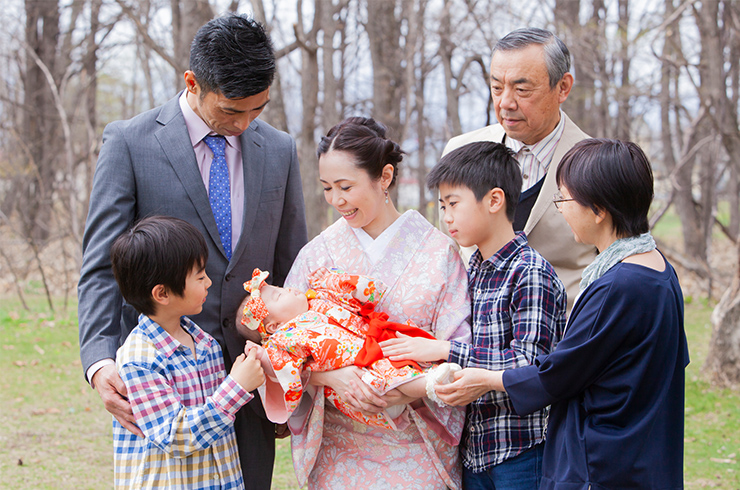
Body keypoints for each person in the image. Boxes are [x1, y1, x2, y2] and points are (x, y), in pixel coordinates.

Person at [77, 14, 307, 489]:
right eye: (231, 111)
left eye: (257, 111)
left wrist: (292, 372)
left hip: (253, 375)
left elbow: (291, 266)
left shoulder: (280, 150)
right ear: (192, 83)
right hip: (163, 384)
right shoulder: (130, 142)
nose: (243, 125)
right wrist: (100, 363)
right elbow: (102, 265)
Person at [434, 139, 689, 489]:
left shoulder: (620, 285)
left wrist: (485, 379)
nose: (561, 209)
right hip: (644, 452)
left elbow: (558, 374)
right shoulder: (657, 269)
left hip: (608, 462)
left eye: (565, 199)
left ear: (598, 209)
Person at [283, 116, 472, 489]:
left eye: (346, 187)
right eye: (326, 188)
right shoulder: (316, 254)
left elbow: (458, 350)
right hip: (338, 447)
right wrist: (330, 376)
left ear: (384, 177)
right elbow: (281, 349)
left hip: (415, 443)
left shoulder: (439, 252)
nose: (336, 200)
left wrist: (397, 390)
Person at [382, 141, 567, 489]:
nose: (446, 217)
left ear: (494, 200)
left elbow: (532, 367)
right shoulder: (473, 268)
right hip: (475, 451)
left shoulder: (529, 272)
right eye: (442, 206)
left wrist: (445, 350)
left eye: (453, 204)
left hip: (522, 450)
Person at [443, 27, 596, 311]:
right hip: (471, 339)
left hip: (563, 339)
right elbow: (447, 252)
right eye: (497, 88)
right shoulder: (458, 151)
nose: (505, 103)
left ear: (562, 87)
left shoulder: (594, 163)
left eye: (522, 90)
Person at [109, 216, 266, 490]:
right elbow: (174, 436)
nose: (208, 282)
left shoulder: (205, 344)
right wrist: (237, 386)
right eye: (199, 276)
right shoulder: (139, 358)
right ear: (162, 293)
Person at [236, 266, 458, 431]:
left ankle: (432, 376)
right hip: (357, 380)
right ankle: (433, 386)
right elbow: (283, 371)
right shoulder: (285, 338)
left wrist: (330, 279)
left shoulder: (318, 298)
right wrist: (263, 356)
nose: (289, 290)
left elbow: (360, 291)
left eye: (282, 288)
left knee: (401, 351)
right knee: (381, 379)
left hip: (374, 346)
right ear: (274, 326)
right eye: (279, 295)